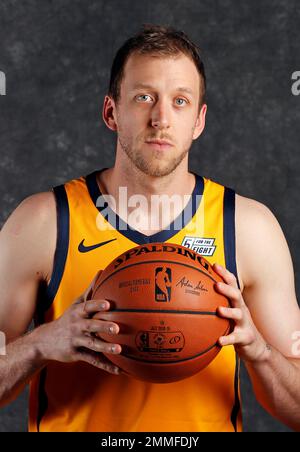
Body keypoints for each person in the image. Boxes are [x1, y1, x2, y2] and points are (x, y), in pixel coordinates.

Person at [0, 24, 299, 433]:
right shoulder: (44, 221)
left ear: (198, 120)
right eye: (144, 97)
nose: (161, 118)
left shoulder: (248, 227)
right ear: (111, 111)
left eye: (180, 101)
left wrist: (260, 352)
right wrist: (39, 344)